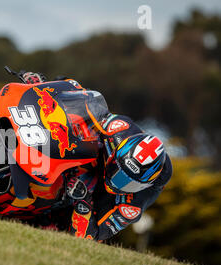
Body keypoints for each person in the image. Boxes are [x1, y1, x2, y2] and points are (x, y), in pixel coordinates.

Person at [22, 71, 173, 240]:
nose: (116, 181)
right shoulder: (119, 130)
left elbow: (92, 237)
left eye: (127, 182)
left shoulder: (133, 205)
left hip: (96, 197)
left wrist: (83, 201)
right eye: (118, 170)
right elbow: (85, 101)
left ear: (144, 186)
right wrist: (43, 87)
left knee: (53, 227)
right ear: (118, 152)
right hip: (93, 158)